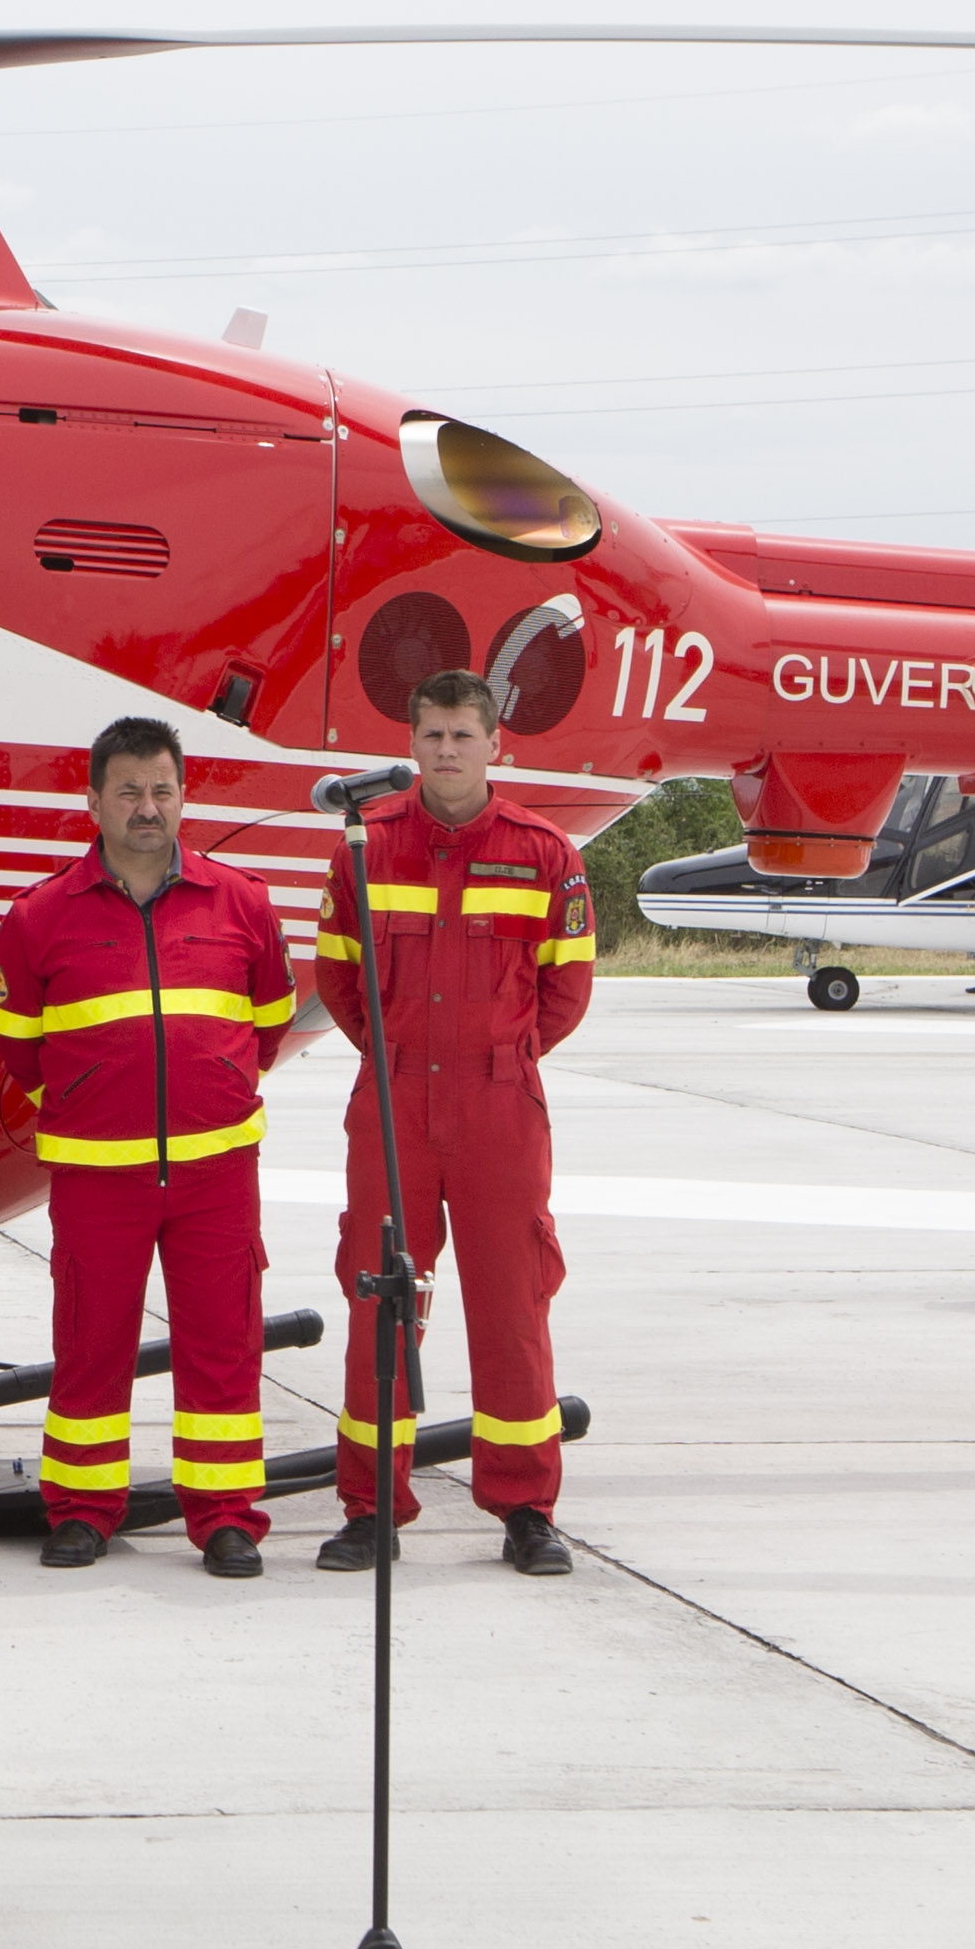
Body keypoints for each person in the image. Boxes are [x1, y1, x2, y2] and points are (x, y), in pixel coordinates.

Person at [0, 717, 294, 1578]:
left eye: (162, 789)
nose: (147, 807)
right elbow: (14, 1037)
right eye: (128, 791)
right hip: (97, 1178)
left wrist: (213, 1093)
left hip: (216, 1173)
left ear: (185, 795)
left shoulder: (244, 903)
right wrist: (81, 1104)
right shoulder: (42, 915)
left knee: (221, 1346)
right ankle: (84, 1511)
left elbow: (266, 1024)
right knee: (91, 1344)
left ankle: (226, 1516)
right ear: (93, 801)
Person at [311, 667, 593, 1577]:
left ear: (495, 745)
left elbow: (566, 991)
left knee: (513, 1305)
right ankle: (371, 1506)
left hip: (498, 1105)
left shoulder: (547, 852)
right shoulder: (363, 846)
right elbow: (341, 982)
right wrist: (396, 1061)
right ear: (411, 742)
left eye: (462, 735)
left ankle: (524, 1508)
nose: (445, 751)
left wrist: (494, 1060)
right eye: (430, 735)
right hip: (391, 1103)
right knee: (379, 1302)